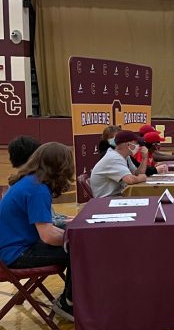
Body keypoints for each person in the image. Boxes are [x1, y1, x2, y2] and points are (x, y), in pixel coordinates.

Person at [0, 143, 74, 318]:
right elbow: (48, 236)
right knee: (80, 250)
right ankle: (68, 303)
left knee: (73, 239)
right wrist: (76, 239)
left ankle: (69, 299)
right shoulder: (37, 189)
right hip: (16, 254)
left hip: (11, 248)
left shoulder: (29, 182)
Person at [89, 131, 149, 198]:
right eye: (136, 143)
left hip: (117, 195)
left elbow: (137, 173)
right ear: (128, 145)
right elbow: (130, 180)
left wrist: (144, 158)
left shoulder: (125, 156)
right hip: (105, 200)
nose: (138, 146)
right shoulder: (114, 158)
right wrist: (143, 177)